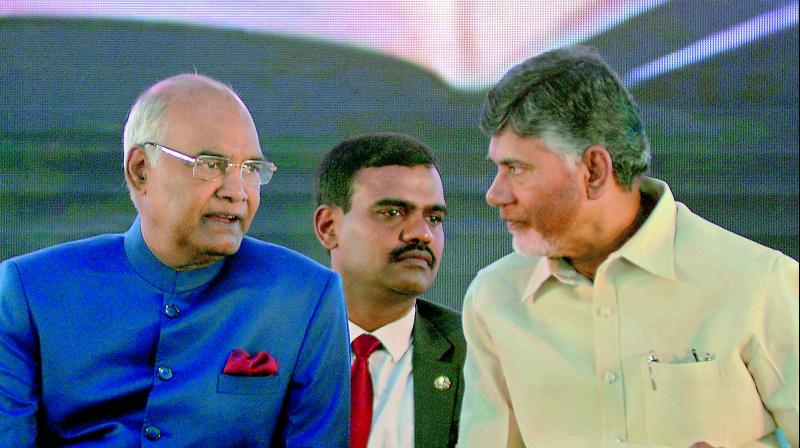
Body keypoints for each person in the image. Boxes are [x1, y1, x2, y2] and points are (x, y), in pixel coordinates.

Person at [457, 46, 798, 448]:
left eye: (516, 168)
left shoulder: (757, 282)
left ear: (594, 170)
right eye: (497, 168)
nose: (494, 194)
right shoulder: (493, 299)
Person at [0, 74, 351, 447]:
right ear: (140, 170)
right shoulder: (30, 290)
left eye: (250, 169)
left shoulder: (305, 297)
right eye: (212, 164)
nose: (237, 192)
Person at [313, 133, 466, 448]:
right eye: (393, 213)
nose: (421, 233)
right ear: (328, 227)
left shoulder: (477, 355)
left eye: (434, 218)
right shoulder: (272, 345)